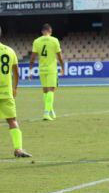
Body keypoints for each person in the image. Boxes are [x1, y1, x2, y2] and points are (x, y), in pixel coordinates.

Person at [0, 27, 32, 158]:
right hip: (6, 92)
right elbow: (16, 72)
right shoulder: (10, 51)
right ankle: (18, 149)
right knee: (12, 121)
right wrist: (15, 87)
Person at [29, 24, 65, 121]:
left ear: (42, 31)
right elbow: (60, 56)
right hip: (51, 69)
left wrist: (30, 70)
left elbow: (32, 57)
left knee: (45, 91)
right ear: (50, 31)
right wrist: (62, 67)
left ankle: (50, 109)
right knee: (51, 90)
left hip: (42, 69)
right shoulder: (54, 40)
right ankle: (46, 113)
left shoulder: (36, 41)